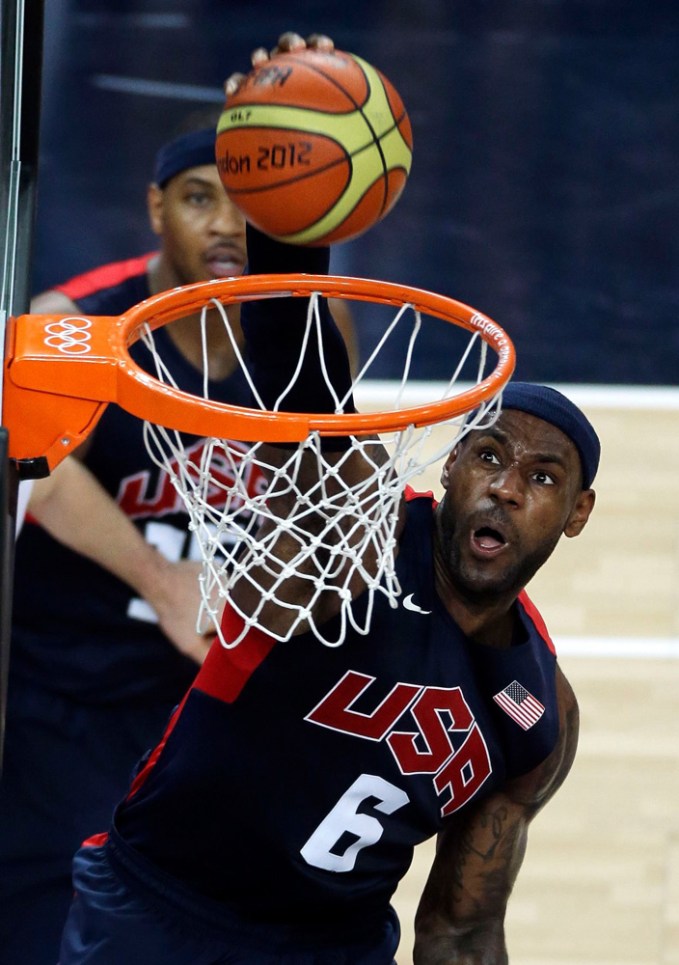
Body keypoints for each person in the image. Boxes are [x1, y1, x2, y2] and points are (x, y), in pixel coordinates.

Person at [57, 33, 599, 965]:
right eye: (488, 454)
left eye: (541, 478)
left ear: (574, 515)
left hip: (333, 948)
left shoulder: (532, 713)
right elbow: (298, 391)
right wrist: (285, 210)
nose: (506, 487)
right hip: (160, 916)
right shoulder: (353, 540)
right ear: (448, 466)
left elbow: (463, 929)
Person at [0, 101, 355, 965]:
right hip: (69, 686)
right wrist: (162, 584)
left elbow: (336, 477)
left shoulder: (307, 330)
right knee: (46, 931)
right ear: (156, 208)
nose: (228, 223)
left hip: (214, 696)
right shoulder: (74, 319)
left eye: (247, 202)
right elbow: (29, 462)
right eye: (201, 198)